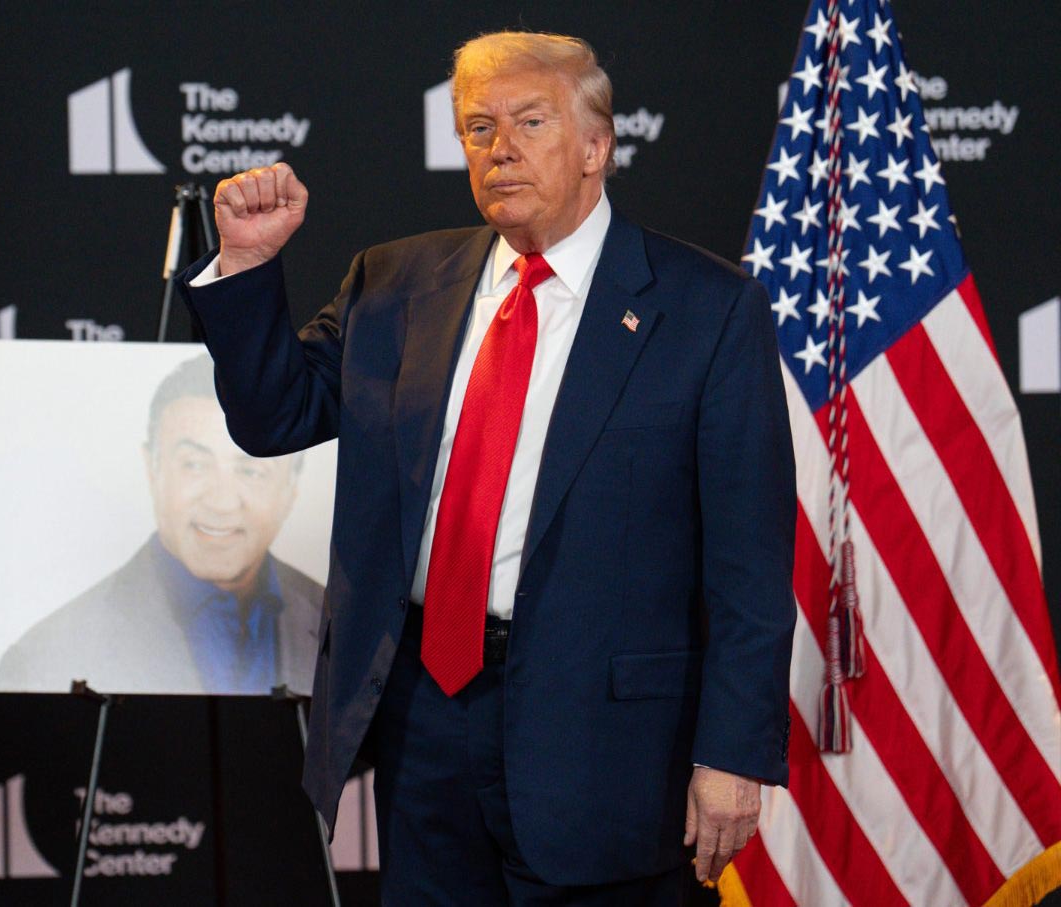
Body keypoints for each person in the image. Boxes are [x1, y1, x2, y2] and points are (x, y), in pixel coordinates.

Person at [178, 30, 796, 905]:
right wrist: (245, 264)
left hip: (610, 742)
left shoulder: (709, 309)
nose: (498, 147)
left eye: (530, 121)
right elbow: (274, 417)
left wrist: (732, 751)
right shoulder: (392, 284)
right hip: (426, 717)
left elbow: (751, 562)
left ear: (596, 146)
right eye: (477, 126)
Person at [0, 354, 325, 696]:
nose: (222, 502)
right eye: (195, 465)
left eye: (251, 470)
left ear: (292, 489)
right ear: (151, 470)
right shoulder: (44, 659)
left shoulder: (349, 630)